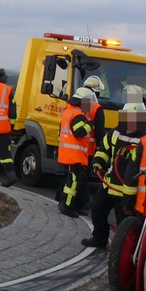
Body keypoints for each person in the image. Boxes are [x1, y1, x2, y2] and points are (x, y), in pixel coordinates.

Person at [82, 100, 146, 248]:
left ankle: (121, 252)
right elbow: (104, 150)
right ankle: (99, 239)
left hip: (127, 191)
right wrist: (97, 163)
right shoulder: (115, 133)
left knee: (124, 225)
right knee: (97, 209)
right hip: (109, 184)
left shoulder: (144, 140)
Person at [58, 86, 96, 216]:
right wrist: (90, 125)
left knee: (70, 181)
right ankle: (67, 207)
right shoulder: (77, 114)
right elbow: (78, 132)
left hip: (68, 154)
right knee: (73, 182)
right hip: (73, 156)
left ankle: (66, 204)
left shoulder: (69, 111)